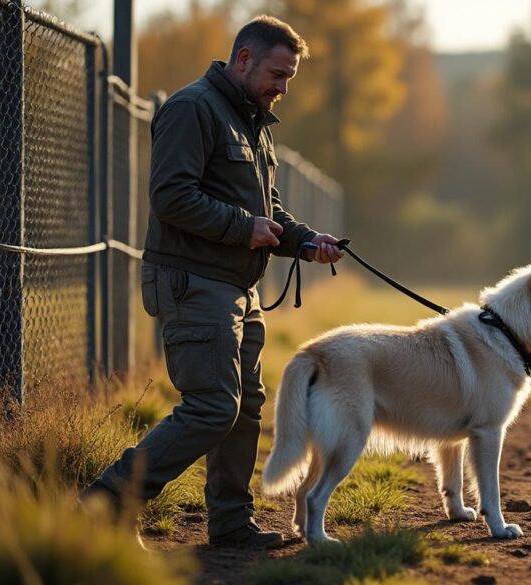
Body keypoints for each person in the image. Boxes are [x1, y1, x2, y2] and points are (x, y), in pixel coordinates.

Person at [82, 15, 344, 549]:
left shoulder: (251, 118)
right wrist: (242, 227)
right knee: (213, 407)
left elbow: (266, 210)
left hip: (236, 286)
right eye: (277, 73)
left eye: (289, 76)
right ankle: (104, 504)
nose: (283, 88)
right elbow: (171, 197)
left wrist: (306, 241)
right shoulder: (192, 108)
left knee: (244, 405)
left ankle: (229, 523)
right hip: (193, 280)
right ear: (243, 59)